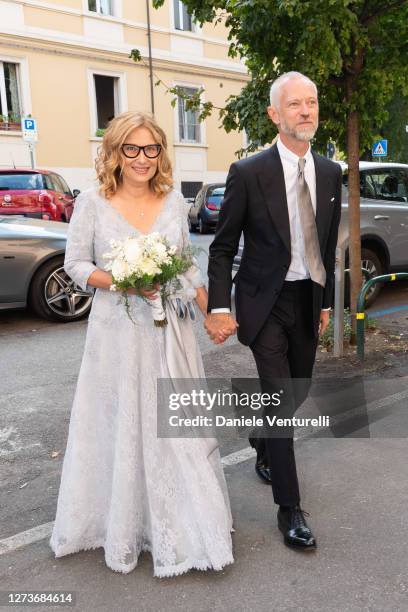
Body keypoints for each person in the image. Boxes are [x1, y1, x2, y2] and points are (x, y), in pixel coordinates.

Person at [50, 111, 233, 576]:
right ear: (115, 151)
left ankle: (185, 523)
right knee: (122, 422)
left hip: (168, 331)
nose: (142, 158)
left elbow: (187, 266)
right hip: (115, 333)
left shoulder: (173, 201)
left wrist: (211, 311)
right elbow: (75, 264)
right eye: (132, 148)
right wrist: (120, 282)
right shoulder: (91, 202)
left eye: (151, 149)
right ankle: (123, 523)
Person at [205, 72, 342, 550]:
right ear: (274, 114)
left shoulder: (330, 171)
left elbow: (326, 243)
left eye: (312, 102)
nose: (306, 111)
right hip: (264, 302)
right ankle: (290, 509)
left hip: (307, 297)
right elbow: (222, 248)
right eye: (295, 105)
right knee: (282, 403)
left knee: (296, 392)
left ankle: (262, 440)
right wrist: (220, 306)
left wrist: (325, 301)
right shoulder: (249, 172)